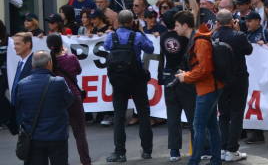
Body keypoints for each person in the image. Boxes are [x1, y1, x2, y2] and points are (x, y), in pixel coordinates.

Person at [174, 11, 225, 165]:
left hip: (208, 88)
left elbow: (204, 69)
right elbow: (202, 67)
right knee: (211, 125)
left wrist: (187, 77)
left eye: (176, 26)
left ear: (185, 25)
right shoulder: (196, 39)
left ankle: (194, 161)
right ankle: (215, 160)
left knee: (199, 126)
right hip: (209, 87)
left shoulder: (199, 41)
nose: (174, 29)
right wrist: (188, 74)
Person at [103, 10, 155, 162]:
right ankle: (146, 150)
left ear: (117, 22)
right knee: (143, 113)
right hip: (137, 78)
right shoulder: (137, 35)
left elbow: (106, 47)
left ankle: (119, 152)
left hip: (118, 80)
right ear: (133, 22)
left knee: (119, 115)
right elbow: (150, 49)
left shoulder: (111, 36)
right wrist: (140, 31)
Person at [15, 50, 74, 165]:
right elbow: (69, 100)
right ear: (49, 63)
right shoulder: (59, 82)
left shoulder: (22, 84)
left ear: (32, 65)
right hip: (57, 135)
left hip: (34, 136)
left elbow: (20, 105)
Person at [213, 10, 253, 162]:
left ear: (217, 23)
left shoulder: (213, 36)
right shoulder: (239, 36)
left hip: (221, 80)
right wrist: (238, 31)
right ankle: (232, 150)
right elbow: (249, 50)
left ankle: (224, 148)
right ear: (232, 22)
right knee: (236, 114)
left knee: (223, 114)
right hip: (238, 79)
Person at [47, 33, 91, 165]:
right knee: (80, 133)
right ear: (62, 45)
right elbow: (78, 71)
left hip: (57, 100)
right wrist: (66, 55)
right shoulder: (71, 58)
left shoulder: (49, 62)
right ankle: (86, 162)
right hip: (74, 97)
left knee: (59, 134)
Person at [158, 10, 196, 162]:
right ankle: (203, 146)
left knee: (173, 116)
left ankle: (174, 150)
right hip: (184, 76)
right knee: (193, 114)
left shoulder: (163, 37)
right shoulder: (183, 36)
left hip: (169, 77)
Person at [9, 31, 35, 135]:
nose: (14, 47)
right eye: (14, 44)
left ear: (28, 44)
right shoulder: (21, 62)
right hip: (20, 112)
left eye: (18, 44)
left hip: (28, 114)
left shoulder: (34, 62)